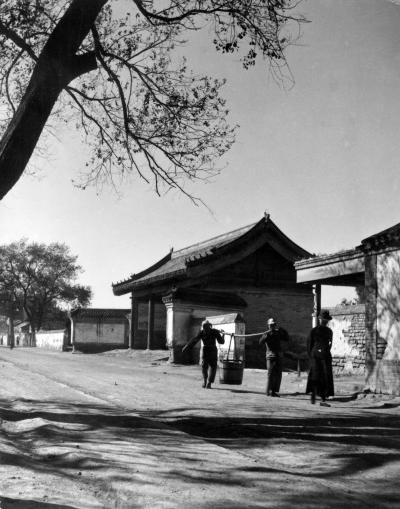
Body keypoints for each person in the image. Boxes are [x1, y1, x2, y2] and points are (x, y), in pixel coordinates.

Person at [182, 320, 224, 389]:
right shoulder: (213, 331)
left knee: (210, 367)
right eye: (204, 326)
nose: (205, 328)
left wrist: (186, 347)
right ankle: (207, 382)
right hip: (210, 350)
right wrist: (186, 346)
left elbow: (194, 340)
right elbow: (195, 340)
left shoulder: (207, 332)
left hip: (209, 350)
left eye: (206, 326)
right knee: (208, 367)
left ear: (209, 326)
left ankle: (208, 382)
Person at [306, 309, 335, 407]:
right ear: (320, 319)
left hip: (321, 355)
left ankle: (321, 396)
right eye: (324, 320)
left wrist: (322, 352)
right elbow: (310, 345)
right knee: (319, 375)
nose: (325, 321)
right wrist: (313, 355)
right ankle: (316, 394)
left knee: (322, 375)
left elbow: (329, 344)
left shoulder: (327, 331)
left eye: (326, 320)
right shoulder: (315, 331)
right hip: (318, 355)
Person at [259, 318, 289, 397]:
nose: (272, 326)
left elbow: (286, 338)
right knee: (270, 374)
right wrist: (264, 337)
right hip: (270, 356)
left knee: (278, 374)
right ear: (268, 326)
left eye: (274, 325)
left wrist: (283, 331)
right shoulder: (266, 334)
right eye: (271, 325)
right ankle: (267, 391)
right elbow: (260, 342)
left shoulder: (278, 333)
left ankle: (274, 392)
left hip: (278, 356)